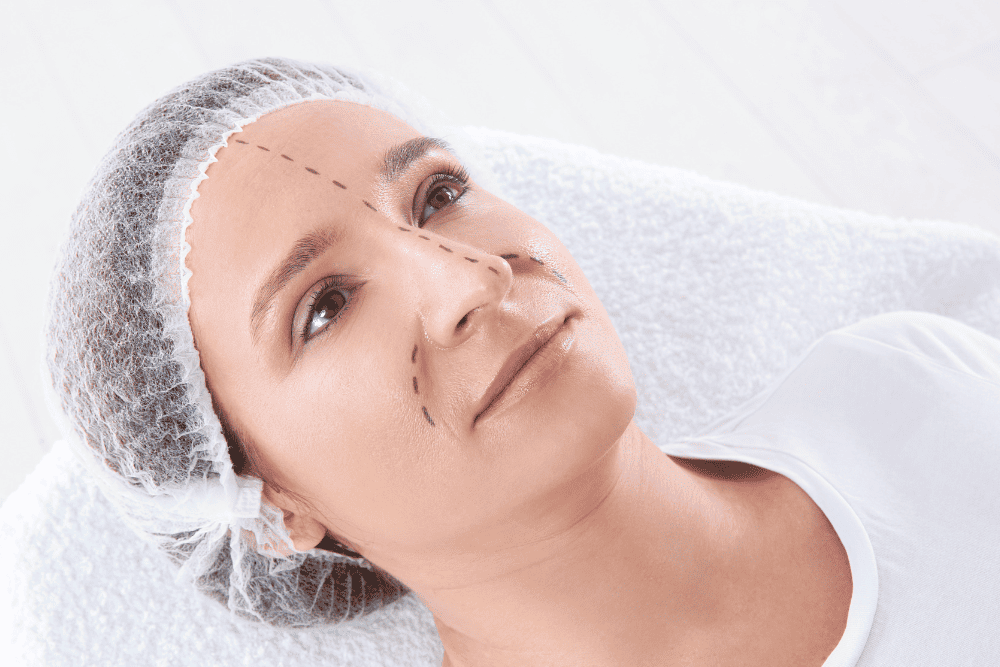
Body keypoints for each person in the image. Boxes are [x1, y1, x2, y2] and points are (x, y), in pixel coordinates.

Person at [46, 58, 1000, 667]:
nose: (471, 278)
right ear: (269, 507)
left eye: (438, 193)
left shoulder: (910, 388)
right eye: (324, 306)